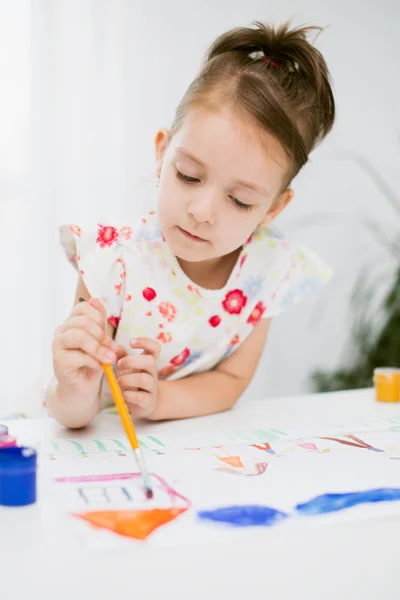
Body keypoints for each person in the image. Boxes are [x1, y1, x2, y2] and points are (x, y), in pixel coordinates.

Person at [48, 21, 335, 428]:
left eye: (240, 200)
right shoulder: (115, 259)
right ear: (162, 153)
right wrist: (75, 389)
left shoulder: (267, 270)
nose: (202, 211)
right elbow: (70, 414)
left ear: (273, 208)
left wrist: (162, 399)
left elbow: (232, 380)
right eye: (188, 175)